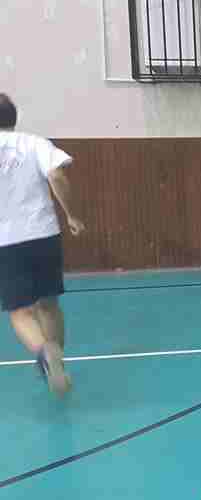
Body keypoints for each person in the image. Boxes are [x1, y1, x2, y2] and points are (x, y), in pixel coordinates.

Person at [0, 93, 85, 396]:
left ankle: (44, 352)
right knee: (48, 304)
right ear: (14, 117)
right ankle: (57, 356)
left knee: (20, 312)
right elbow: (56, 175)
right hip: (43, 234)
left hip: (5, 242)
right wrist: (72, 215)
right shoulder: (34, 143)